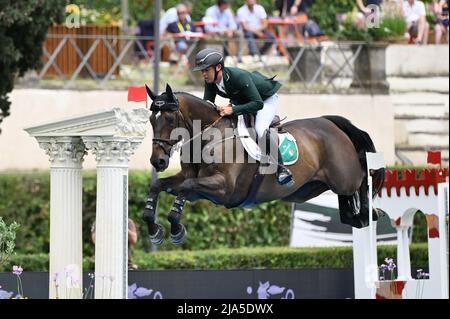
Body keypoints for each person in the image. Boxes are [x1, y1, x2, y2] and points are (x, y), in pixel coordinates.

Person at [192, 48, 294, 186]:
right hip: (243, 100)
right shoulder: (211, 80)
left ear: (218, 67)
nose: (203, 74)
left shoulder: (238, 77)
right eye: (202, 71)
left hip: (265, 99)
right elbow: (208, 103)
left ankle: (281, 169)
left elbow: (257, 103)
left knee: (259, 129)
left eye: (206, 70)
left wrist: (232, 109)